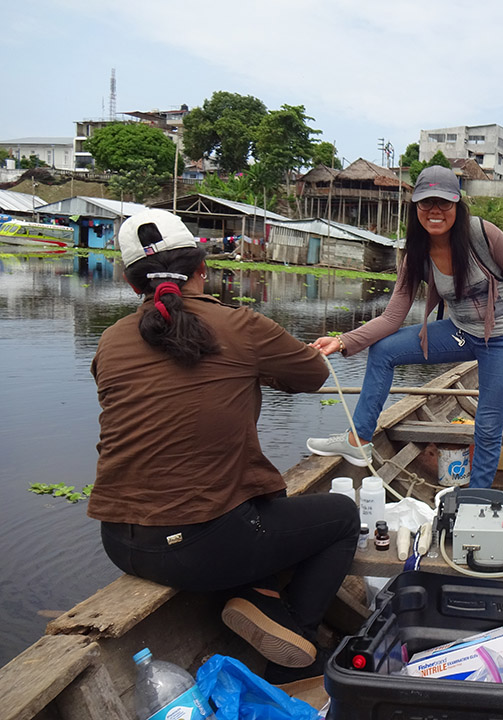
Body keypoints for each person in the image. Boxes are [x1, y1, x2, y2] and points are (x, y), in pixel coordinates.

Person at [88, 209, 358, 683]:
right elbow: (314, 375)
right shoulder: (241, 326)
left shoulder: (110, 341)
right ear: (201, 270)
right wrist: (261, 367)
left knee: (248, 502)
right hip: (200, 548)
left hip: (118, 541)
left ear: (133, 286)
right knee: (340, 516)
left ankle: (259, 595)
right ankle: (295, 640)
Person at [307, 165, 503, 489]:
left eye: (443, 203)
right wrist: (343, 341)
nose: (435, 211)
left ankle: (475, 498)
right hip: (462, 332)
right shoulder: (416, 255)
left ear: (457, 205)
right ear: (415, 207)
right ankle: (358, 439)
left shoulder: (483, 235)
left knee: (487, 427)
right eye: (426, 203)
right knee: (385, 350)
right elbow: (392, 317)